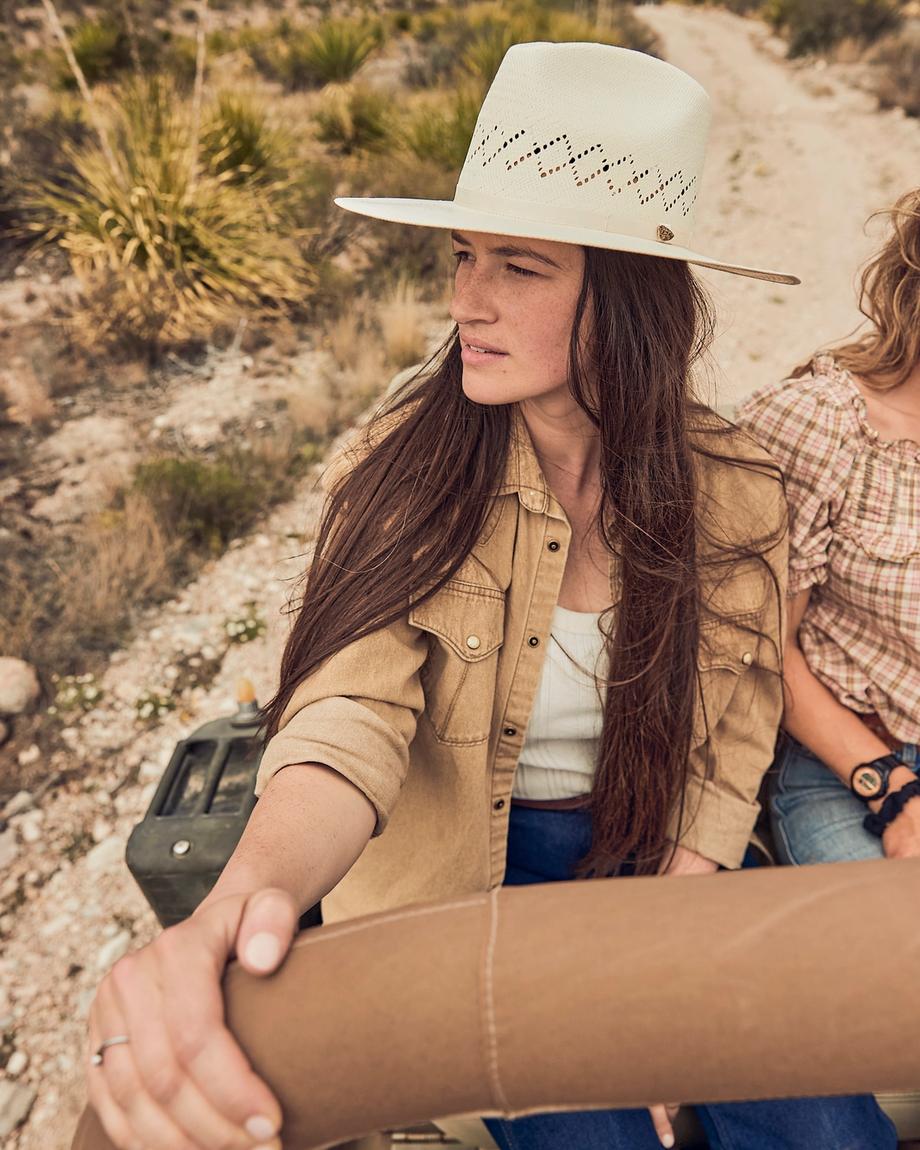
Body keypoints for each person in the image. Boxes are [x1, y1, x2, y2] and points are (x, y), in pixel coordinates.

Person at [81, 42, 898, 1150]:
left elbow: (729, 727)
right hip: (460, 887)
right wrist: (243, 895)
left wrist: (673, 931)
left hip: (644, 866)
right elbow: (347, 719)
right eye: (463, 256)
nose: (464, 300)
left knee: (828, 1130)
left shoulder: (735, 487)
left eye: (517, 265)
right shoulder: (402, 470)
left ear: (628, 298)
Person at [736, 188, 920, 868]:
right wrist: (893, 793)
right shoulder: (820, 426)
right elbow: (762, 652)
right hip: (851, 768)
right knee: (893, 950)